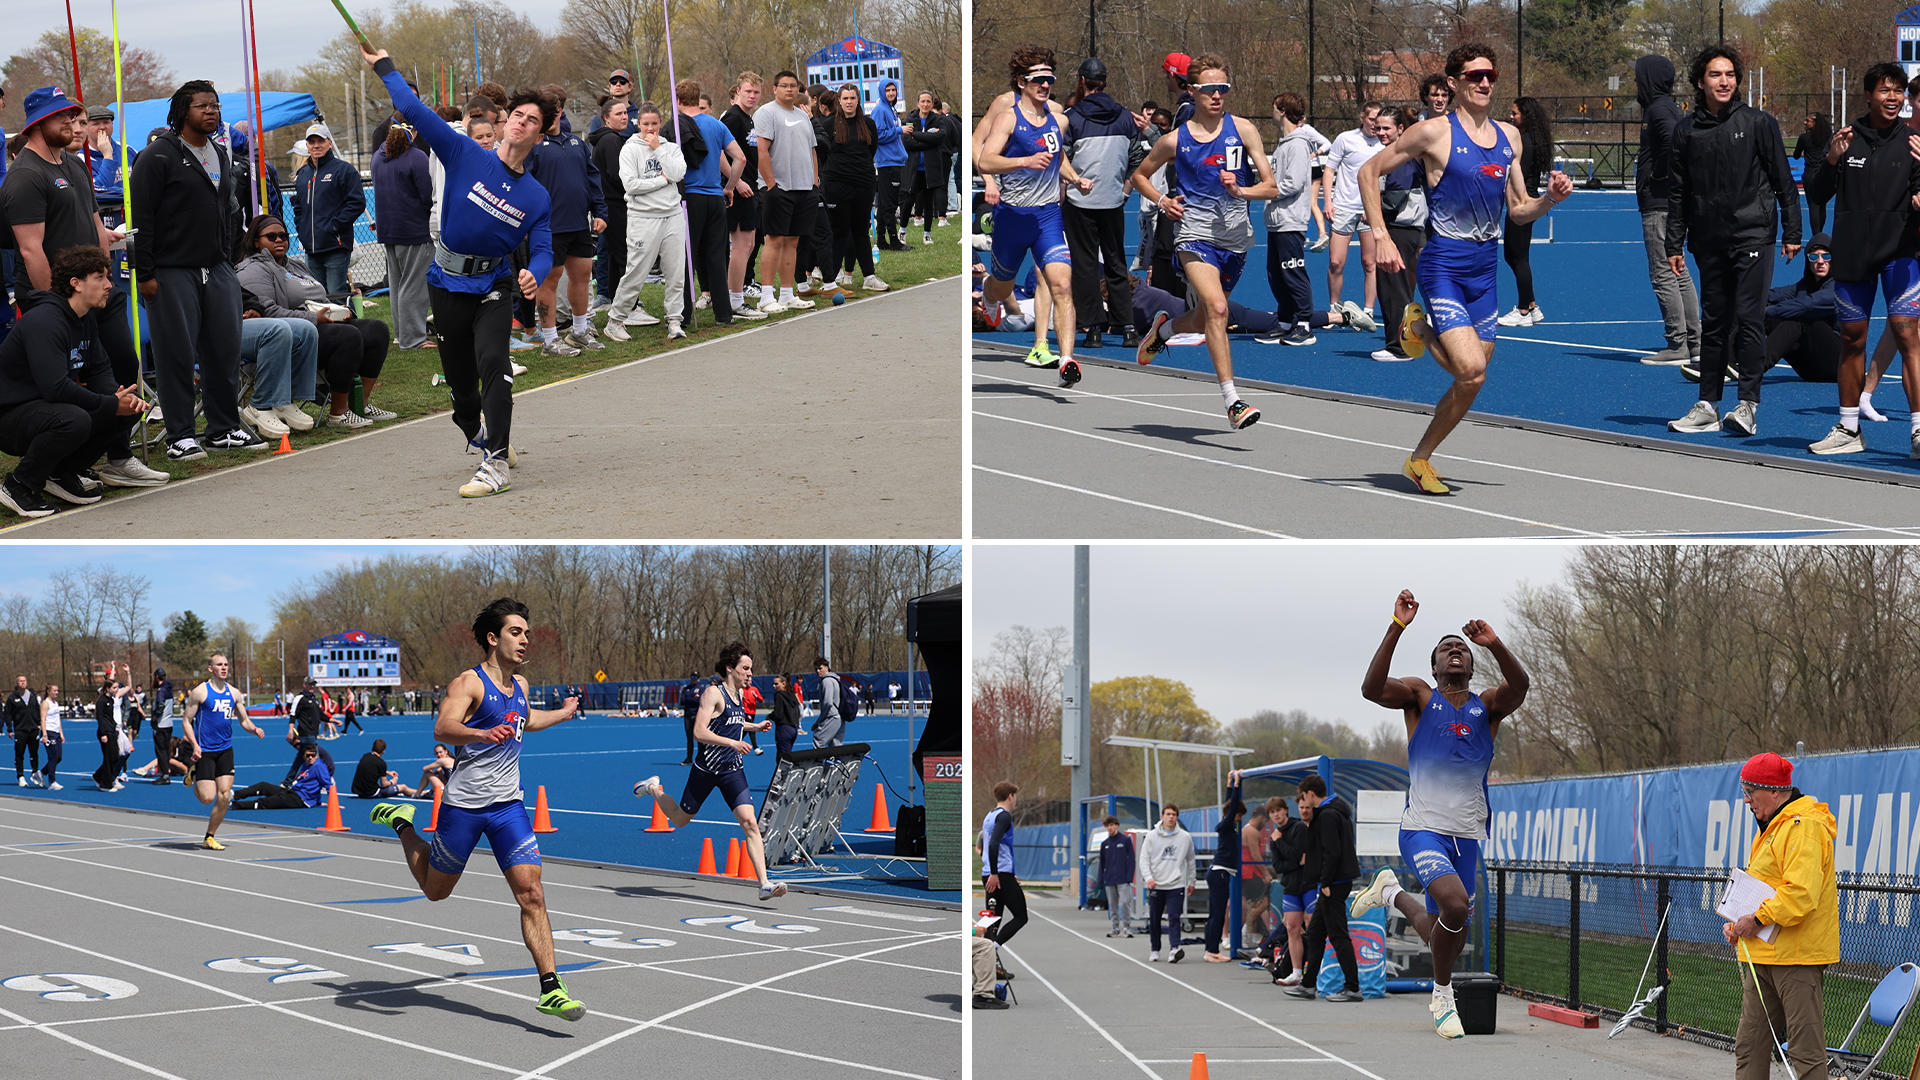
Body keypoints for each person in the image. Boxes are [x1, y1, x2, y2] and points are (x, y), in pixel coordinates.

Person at [1360, 43, 1574, 494]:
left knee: (1472, 380)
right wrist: (1380, 235)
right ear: (1454, 83)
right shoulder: (1432, 132)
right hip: (1443, 264)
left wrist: (1550, 199)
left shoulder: (1509, 138)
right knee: (1471, 367)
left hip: (1484, 269)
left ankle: (1419, 460)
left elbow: (1517, 210)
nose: (1484, 83)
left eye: (1490, 75)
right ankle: (1418, 328)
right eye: (1474, 76)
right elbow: (1368, 172)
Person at [369, 597, 587, 1021]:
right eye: (516, 632)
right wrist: (479, 732)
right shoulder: (468, 683)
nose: (525, 640)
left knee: (533, 894)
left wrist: (562, 713)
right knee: (436, 892)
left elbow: (527, 720)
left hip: (509, 807)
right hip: (464, 808)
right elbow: (442, 726)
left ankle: (551, 989)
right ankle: (402, 824)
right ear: (493, 638)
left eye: (527, 633)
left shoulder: (520, 686)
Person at [362, 42, 551, 499]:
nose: (522, 123)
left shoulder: (536, 197)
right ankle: (478, 432)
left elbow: (543, 247)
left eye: (533, 121)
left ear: (538, 137)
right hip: (446, 283)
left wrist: (535, 274)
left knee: (494, 364)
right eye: (518, 116)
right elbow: (410, 107)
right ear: (506, 123)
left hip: (493, 285)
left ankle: (498, 462)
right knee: (464, 396)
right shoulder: (465, 153)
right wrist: (385, 65)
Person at [1351, 588, 1531, 1038]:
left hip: (1466, 834)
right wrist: (1397, 626)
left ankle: (1391, 893)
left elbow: (1520, 688)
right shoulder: (1418, 696)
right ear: (1435, 667)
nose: (1456, 651)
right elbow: (1371, 689)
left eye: (1463, 649)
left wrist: (1495, 643)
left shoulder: (1486, 706)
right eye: (1446, 649)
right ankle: (1443, 994)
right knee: (1454, 904)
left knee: (1445, 928)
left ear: (1471, 666)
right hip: (1422, 829)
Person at [0, 87, 165, 490]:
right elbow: (30, 247)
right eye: (64, 118)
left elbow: (91, 218)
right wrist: (51, 306)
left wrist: (104, 248)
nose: (74, 125)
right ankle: (58, 466)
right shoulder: (25, 175)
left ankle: (116, 458)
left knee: (124, 365)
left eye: (75, 117)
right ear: (38, 123)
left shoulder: (74, 163)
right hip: (59, 301)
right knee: (68, 385)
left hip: (96, 291)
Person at [1130, 54, 1279, 431]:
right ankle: (1233, 400)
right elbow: (1140, 176)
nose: (1217, 96)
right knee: (1215, 308)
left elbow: (1271, 186)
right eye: (1209, 89)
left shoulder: (1243, 130)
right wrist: (1163, 202)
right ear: (1193, 91)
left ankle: (1163, 330)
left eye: (1223, 89)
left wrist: (1240, 189)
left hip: (1235, 238)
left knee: (1206, 316)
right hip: (1194, 235)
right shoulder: (1174, 139)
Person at [1665, 45, 1801, 441]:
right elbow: (1679, 192)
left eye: (1729, 75)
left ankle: (1748, 406)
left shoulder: (1759, 123)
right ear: (1700, 82)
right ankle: (1707, 404)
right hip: (1709, 239)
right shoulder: (1686, 130)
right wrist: (1675, 242)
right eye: (1715, 75)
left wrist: (1793, 231)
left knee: (1749, 319)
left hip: (1754, 234)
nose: (1724, 81)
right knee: (1715, 323)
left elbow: (1783, 181)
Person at [131, 81, 262, 460]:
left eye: (216, 106)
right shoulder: (156, 157)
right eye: (202, 105)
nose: (211, 111)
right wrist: (146, 274)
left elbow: (227, 212)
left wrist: (226, 257)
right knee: (176, 353)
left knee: (224, 349)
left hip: (217, 268)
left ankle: (223, 428)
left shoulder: (221, 154)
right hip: (172, 271)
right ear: (181, 111)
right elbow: (141, 220)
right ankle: (179, 436)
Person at [1804, 63, 1920, 458]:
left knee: (1908, 337)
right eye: (1886, 90)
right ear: (1868, 95)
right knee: (1852, 340)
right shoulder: (1845, 139)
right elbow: (1817, 194)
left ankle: (1919, 432)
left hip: (1900, 257)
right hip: (1853, 258)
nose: (1894, 98)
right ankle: (1849, 429)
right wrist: (1832, 160)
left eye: (1899, 91)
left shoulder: (1913, 143)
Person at [0, 245, 151, 518]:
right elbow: (55, 386)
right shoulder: (45, 321)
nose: (109, 284)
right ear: (76, 283)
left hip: (44, 408)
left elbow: (99, 368)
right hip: (9, 417)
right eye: (100, 277)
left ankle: (60, 473)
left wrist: (116, 396)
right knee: (76, 419)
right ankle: (19, 485)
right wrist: (108, 403)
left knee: (129, 410)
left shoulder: (84, 318)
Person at [631, 640, 787, 901]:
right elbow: (699, 732)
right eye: (745, 668)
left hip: (732, 772)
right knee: (680, 820)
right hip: (705, 770)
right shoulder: (712, 693)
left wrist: (754, 727)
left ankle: (764, 884)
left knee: (750, 823)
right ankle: (653, 789)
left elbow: (732, 722)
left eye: (751, 668)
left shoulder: (740, 695)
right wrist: (733, 742)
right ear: (730, 668)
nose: (750, 673)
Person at [1722, 752, 1838, 1080]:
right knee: (1750, 1044)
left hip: (1796, 959)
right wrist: (1738, 923)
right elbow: (1765, 888)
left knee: (1805, 1050)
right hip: (1763, 956)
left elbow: (1800, 893)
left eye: (1751, 792)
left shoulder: (1803, 826)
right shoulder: (1773, 826)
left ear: (1775, 791)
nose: (1746, 800)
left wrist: (1755, 920)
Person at [978, 49, 1086, 379]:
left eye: (1049, 79)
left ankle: (1067, 359)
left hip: (1047, 217)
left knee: (1062, 285)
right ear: (1023, 82)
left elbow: (1058, 156)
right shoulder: (1007, 118)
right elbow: (985, 160)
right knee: (1001, 285)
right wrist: (1023, 161)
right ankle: (987, 292)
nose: (1045, 85)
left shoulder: (1060, 119)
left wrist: (1075, 178)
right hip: (1013, 218)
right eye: (1038, 80)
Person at [236, 215, 393, 430]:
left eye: (283, 236)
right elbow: (266, 312)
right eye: (271, 237)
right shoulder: (252, 270)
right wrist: (314, 318)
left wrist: (339, 310)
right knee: (348, 337)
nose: (279, 240)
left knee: (376, 330)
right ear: (256, 241)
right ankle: (339, 413)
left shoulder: (296, 265)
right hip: (294, 336)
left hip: (322, 322)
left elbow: (320, 297)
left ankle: (360, 405)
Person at [526, 87, 606, 356]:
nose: (554, 113)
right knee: (549, 280)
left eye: (557, 108)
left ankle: (579, 332)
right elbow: (522, 185)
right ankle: (549, 341)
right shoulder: (533, 146)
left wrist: (601, 212)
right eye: (548, 110)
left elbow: (592, 179)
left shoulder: (577, 143)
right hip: (548, 226)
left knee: (582, 275)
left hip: (578, 224)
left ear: (561, 110)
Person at [602, 102, 691, 341]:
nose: (650, 129)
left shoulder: (670, 148)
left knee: (675, 271)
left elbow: (678, 173)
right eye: (645, 124)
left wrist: (659, 151)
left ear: (660, 123)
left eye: (654, 124)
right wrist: (662, 180)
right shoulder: (629, 149)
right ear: (638, 124)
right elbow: (631, 185)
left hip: (672, 215)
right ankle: (616, 320)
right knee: (636, 271)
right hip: (643, 217)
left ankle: (674, 320)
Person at [1064, 58, 1137, 349]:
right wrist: (1124, 191)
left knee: (1084, 264)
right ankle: (1128, 326)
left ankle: (1093, 327)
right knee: (1116, 261)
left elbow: (1062, 158)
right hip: (1112, 199)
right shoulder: (1125, 116)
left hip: (1080, 198)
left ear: (1082, 82)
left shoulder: (1073, 116)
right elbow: (1136, 158)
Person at [1635, 55, 1703, 367]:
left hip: (1659, 205)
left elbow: (1676, 139)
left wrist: (1658, 173)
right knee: (1678, 269)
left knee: (1663, 272)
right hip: (1668, 203)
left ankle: (1677, 341)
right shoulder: (1663, 106)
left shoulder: (1659, 109)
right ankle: (1694, 340)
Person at [670, 78, 748, 328]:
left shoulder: (676, 125)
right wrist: (729, 186)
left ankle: (680, 317)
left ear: (678, 101)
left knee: (686, 257)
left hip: (689, 198)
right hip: (715, 197)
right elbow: (740, 158)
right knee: (717, 255)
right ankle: (723, 315)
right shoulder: (715, 124)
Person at [1285, 774, 1361, 1001]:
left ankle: (1353, 988)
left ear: (1310, 794)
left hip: (1333, 884)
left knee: (1338, 935)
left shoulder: (1327, 815)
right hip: (1335, 882)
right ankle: (1308, 985)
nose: (1303, 802)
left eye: (1304, 796)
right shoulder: (1336, 811)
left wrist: (1325, 882)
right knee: (1316, 933)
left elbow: (1332, 851)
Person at [751, 72, 820, 316]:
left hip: (805, 189)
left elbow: (812, 151)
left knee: (793, 242)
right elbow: (762, 151)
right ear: (775, 88)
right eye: (784, 86)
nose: (789, 90)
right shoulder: (767, 113)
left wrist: (814, 183)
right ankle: (766, 296)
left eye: (793, 86)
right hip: (778, 189)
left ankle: (788, 295)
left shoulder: (802, 115)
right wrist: (771, 185)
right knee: (774, 240)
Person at [182, 652, 266, 849]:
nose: (224, 667)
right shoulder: (200, 692)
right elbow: (186, 721)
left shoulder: (234, 693)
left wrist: (254, 729)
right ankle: (194, 774)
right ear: (211, 668)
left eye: (226, 664)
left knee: (225, 795)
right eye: (219, 664)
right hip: (205, 751)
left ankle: (209, 836)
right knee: (207, 798)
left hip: (225, 750)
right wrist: (195, 745)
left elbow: (243, 720)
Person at [1263, 91, 1324, 346]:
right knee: (1275, 274)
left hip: (1291, 220)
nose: (1272, 111)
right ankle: (1286, 319)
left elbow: (1294, 183)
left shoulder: (1298, 144)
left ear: (1283, 111)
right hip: (1277, 221)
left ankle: (1304, 324)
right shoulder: (1285, 143)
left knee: (1292, 271)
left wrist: (1267, 191)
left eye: (1275, 107)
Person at [1370, 108, 1429, 361]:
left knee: (1394, 287)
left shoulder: (1401, 157)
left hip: (1401, 227)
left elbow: (1396, 194)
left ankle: (1400, 346)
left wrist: (1373, 210)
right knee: (1396, 285)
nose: (1381, 132)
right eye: (1378, 128)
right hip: (1406, 226)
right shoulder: (1395, 155)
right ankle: (1406, 341)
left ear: (1401, 129)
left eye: (1387, 128)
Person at [371, 121, 435, 350]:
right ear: (414, 131)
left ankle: (402, 335)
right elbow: (428, 196)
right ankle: (413, 339)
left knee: (398, 286)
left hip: (388, 231)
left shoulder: (378, 157)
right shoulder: (417, 157)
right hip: (414, 230)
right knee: (414, 287)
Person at [1496, 97, 1555, 327]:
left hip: (1523, 202)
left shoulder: (1525, 142)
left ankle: (1522, 311)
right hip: (1522, 201)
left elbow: (1516, 172)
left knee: (1518, 256)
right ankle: (1531, 305)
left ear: (1526, 115)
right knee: (1514, 254)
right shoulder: (1527, 139)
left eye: (1515, 113)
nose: (1511, 117)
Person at [823, 84, 887, 294]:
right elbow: (822, 155)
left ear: (858, 100)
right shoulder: (829, 124)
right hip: (837, 185)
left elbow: (871, 150)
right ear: (839, 101)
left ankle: (869, 276)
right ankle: (830, 280)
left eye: (853, 98)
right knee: (839, 231)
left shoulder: (868, 124)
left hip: (864, 184)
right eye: (845, 98)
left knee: (861, 231)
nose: (849, 102)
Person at [290, 124, 365, 297]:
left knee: (336, 295)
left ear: (329, 143)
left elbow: (357, 202)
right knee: (318, 297)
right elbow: (299, 208)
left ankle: (351, 324)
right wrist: (303, 231)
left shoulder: (344, 170)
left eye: (320, 141)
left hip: (335, 246)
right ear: (307, 145)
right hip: (312, 250)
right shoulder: (303, 175)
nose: (316, 145)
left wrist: (335, 226)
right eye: (312, 142)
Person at [1326, 102, 1384, 315]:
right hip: (1343, 208)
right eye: (1371, 120)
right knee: (1335, 262)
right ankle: (1334, 307)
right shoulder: (1345, 139)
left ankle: (1368, 311)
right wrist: (1328, 201)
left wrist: (1374, 207)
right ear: (1362, 118)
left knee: (1370, 263)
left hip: (1370, 211)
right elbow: (1330, 169)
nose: (1375, 126)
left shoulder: (1384, 144)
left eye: (1379, 122)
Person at [978, 780, 1028, 968]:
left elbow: (988, 845)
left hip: (993, 872)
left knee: (992, 918)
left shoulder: (989, 815)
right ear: (1010, 796)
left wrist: (994, 871)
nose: (1016, 800)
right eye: (1015, 796)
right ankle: (991, 950)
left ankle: (988, 962)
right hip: (998, 875)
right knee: (1021, 917)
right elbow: (993, 844)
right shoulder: (1004, 817)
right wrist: (996, 873)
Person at [586, 98, 630, 311]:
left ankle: (614, 299)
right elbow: (617, 174)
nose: (624, 117)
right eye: (618, 114)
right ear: (605, 118)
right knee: (625, 255)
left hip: (607, 205)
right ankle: (630, 307)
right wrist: (635, 189)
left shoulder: (606, 139)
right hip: (614, 204)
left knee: (614, 255)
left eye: (625, 113)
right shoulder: (611, 140)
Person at [1263, 795, 1312, 985]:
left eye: (1278, 810)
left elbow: (1296, 853)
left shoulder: (1298, 828)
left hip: (1307, 885)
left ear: (1286, 810)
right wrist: (1295, 861)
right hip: (1290, 886)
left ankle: (1318, 969)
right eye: (1272, 812)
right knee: (1292, 928)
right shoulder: (1274, 836)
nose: (1276, 815)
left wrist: (1280, 842)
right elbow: (1279, 866)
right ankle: (1296, 972)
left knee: (1312, 925)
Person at [1140, 803, 1195, 962]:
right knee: (1154, 918)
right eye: (1168, 814)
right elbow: (1144, 859)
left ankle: (1174, 948)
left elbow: (1190, 860)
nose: (1171, 817)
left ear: (1177, 817)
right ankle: (1155, 949)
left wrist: (1191, 881)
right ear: (1162, 816)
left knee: (1174, 917)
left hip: (1176, 884)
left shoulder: (1185, 837)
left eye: (1174, 815)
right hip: (1156, 884)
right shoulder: (1152, 836)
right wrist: (1148, 877)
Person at [1202, 771, 1246, 961]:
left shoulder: (1228, 824)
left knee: (1216, 913)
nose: (1239, 819)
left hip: (1219, 873)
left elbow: (1229, 806)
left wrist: (1229, 784)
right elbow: (1232, 807)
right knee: (1218, 913)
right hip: (1219, 873)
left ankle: (1210, 949)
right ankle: (1212, 951)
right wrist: (1236, 785)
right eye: (1238, 816)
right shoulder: (1226, 825)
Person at [904, 92, 953, 246]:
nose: (925, 104)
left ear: (932, 104)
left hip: (930, 168)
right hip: (913, 168)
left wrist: (917, 136)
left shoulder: (938, 120)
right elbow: (906, 141)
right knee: (908, 200)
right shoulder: (909, 119)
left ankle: (927, 234)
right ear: (917, 103)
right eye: (923, 101)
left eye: (928, 101)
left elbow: (940, 138)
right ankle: (903, 231)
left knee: (928, 202)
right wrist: (928, 138)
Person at [231, 742, 331, 810]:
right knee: (263, 786)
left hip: (300, 800)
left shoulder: (319, 766)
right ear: (303, 756)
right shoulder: (306, 765)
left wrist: (333, 804)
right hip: (293, 792)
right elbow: (314, 783)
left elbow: (327, 784)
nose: (310, 758)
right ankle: (233, 795)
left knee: (267, 802)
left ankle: (233, 805)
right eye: (307, 755)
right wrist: (318, 802)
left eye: (312, 755)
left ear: (316, 756)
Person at [871, 81, 908, 251]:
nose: (891, 93)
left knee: (886, 202)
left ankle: (881, 240)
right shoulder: (880, 110)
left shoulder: (891, 109)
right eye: (888, 90)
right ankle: (893, 240)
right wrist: (900, 130)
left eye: (893, 90)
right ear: (881, 91)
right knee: (890, 203)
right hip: (887, 161)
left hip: (894, 160)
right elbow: (877, 135)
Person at [283, 676, 335, 783]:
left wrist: (333, 720)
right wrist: (290, 731)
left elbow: (320, 715)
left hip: (313, 733)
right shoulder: (300, 698)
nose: (312, 686)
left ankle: (288, 781)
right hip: (306, 733)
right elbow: (293, 715)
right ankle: (324, 782)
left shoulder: (314, 699)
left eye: (313, 684)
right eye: (310, 684)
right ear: (304, 684)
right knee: (316, 759)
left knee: (300, 759)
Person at [1241, 797, 1274, 950]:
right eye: (1266, 822)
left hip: (1247, 872)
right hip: (1250, 872)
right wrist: (1265, 874)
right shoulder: (1251, 831)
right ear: (1261, 817)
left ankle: (1247, 935)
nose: (1265, 826)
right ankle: (1245, 931)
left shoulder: (1246, 829)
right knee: (1263, 903)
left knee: (1253, 905)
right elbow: (1255, 856)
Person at [1097, 814, 1136, 937]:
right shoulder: (1105, 844)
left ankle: (1126, 927)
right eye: (1108, 826)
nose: (1110, 828)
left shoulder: (1125, 840)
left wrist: (1129, 877)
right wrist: (1100, 880)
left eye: (1112, 825)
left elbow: (1132, 860)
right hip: (1109, 879)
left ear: (1117, 826)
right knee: (1112, 905)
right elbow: (1102, 863)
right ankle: (1115, 927)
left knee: (1124, 903)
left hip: (1123, 878)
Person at [1798, 113, 1835, 236]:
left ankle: (1816, 235)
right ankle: (1820, 233)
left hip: (1810, 173)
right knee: (1822, 205)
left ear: (1815, 123)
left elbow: (1796, 155)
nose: (1805, 122)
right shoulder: (1829, 137)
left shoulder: (1804, 138)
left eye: (1807, 120)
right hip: (1825, 172)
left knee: (1813, 206)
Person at [10, 676, 40, 786]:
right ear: (17, 683)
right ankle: (20, 776)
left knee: (34, 753)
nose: (23, 683)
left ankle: (35, 773)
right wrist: (9, 729)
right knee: (19, 754)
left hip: (33, 729)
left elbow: (37, 710)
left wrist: (39, 723)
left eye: (24, 681)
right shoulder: (12, 698)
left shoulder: (32, 695)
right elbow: (8, 714)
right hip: (20, 730)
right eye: (21, 681)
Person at [812, 656, 846, 747]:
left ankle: (819, 761)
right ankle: (837, 761)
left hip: (831, 716)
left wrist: (821, 720)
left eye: (820, 668)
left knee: (818, 740)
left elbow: (828, 702)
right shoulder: (835, 680)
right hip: (839, 717)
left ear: (827, 668)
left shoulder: (826, 681)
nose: (818, 671)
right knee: (836, 745)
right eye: (816, 669)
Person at [38, 683, 65, 790]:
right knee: (53, 756)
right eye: (54, 690)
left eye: (57, 690)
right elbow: (43, 719)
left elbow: (58, 720)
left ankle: (41, 773)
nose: (56, 692)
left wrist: (61, 733)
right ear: (48, 691)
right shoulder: (45, 703)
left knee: (58, 757)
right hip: (49, 732)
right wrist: (44, 734)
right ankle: (52, 782)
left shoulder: (55, 703)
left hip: (56, 732)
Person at [769, 673, 801, 758]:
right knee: (787, 754)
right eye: (773, 684)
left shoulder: (779, 695)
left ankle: (786, 772)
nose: (774, 686)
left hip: (784, 728)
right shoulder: (792, 696)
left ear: (784, 683)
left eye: (776, 684)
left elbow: (778, 714)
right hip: (793, 728)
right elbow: (798, 711)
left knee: (782, 758)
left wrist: (770, 716)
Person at [678, 671, 703, 763]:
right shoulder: (686, 689)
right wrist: (693, 698)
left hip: (697, 715)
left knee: (699, 738)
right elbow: (682, 701)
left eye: (696, 677)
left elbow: (700, 701)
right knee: (689, 738)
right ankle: (689, 758)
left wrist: (690, 699)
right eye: (692, 676)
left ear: (699, 679)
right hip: (688, 716)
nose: (693, 678)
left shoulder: (701, 688)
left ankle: (701, 759)